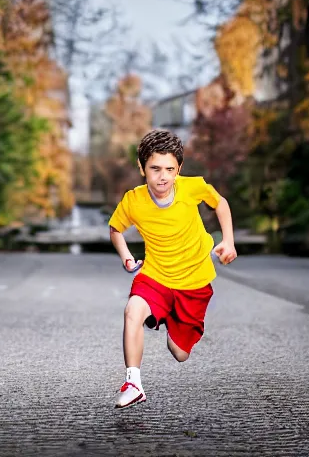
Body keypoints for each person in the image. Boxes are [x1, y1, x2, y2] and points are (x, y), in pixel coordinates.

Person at [108, 129, 237, 409]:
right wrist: (127, 257)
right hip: (155, 275)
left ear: (179, 169)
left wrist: (228, 240)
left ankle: (168, 319)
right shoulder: (134, 200)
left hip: (194, 282)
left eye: (169, 169)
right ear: (142, 168)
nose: (162, 177)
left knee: (179, 353)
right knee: (132, 310)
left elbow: (220, 203)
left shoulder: (192, 188)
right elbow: (115, 229)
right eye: (154, 169)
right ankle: (133, 383)